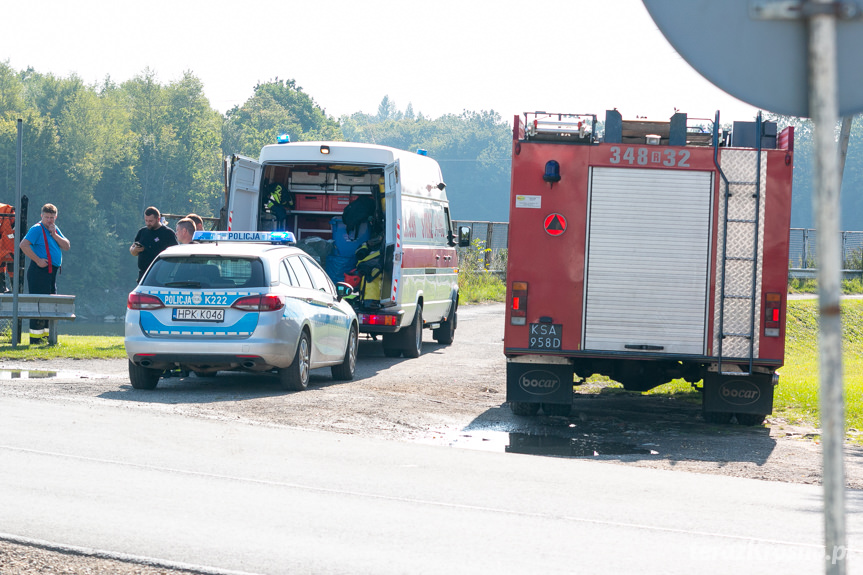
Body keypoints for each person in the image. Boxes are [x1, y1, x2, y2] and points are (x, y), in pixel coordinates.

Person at [19, 203, 71, 344]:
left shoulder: (54, 229)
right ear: (41, 216)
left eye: (52, 217)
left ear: (56, 217)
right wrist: (37, 260)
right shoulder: (37, 229)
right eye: (47, 217)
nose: (49, 220)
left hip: (50, 273)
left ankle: (47, 339)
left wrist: (54, 235)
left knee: (49, 305)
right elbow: (23, 245)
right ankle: (35, 340)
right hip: (39, 271)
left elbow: (66, 246)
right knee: (39, 305)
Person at [130, 206, 177, 282]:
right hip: (143, 274)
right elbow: (132, 250)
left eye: (151, 221)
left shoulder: (168, 233)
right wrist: (135, 250)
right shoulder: (142, 232)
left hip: (162, 275)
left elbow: (176, 253)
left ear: (158, 219)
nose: (148, 223)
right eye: (146, 220)